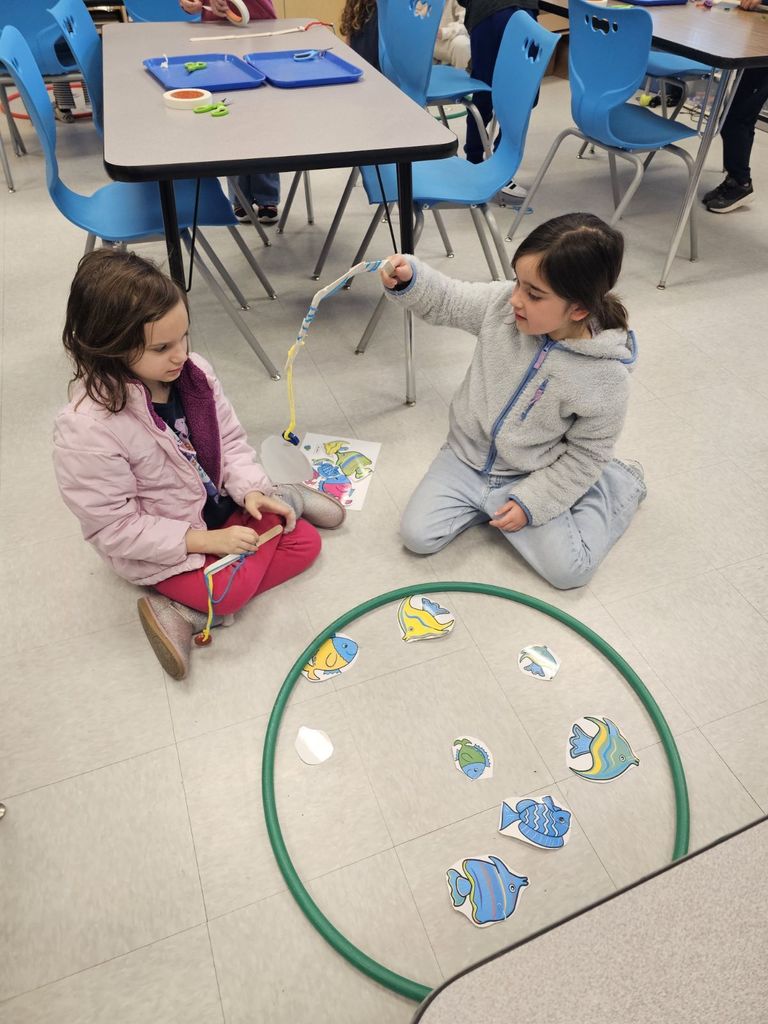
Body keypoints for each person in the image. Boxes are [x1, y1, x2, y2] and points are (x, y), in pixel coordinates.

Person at [53, 250, 344, 680]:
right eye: (162, 348)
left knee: (305, 545)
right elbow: (114, 529)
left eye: (184, 337)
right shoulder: (86, 430)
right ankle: (181, 608)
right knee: (227, 595)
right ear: (110, 346)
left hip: (219, 509)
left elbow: (229, 441)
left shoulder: (195, 375)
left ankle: (275, 500)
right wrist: (208, 543)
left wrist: (251, 490)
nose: (181, 355)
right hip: (167, 544)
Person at [379, 212, 646, 591]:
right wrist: (412, 278)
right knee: (417, 536)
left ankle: (621, 484)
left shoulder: (606, 377)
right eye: (519, 282)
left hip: (530, 473)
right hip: (464, 458)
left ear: (579, 309)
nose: (516, 299)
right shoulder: (503, 304)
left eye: (534, 294)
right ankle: (484, 503)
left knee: (571, 571)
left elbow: (587, 454)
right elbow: (448, 299)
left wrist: (534, 501)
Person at [180, 0, 282, 224]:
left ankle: (266, 195)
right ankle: (239, 197)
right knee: (230, 119)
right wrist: (191, 4)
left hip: (259, 30)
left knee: (260, 117)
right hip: (217, 36)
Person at [458, 0, 537, 198]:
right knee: (522, 95)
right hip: (515, 13)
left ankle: (474, 162)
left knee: (483, 92)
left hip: (483, 14)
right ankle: (500, 172)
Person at [703, 0, 768, 214]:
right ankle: (735, 180)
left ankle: (741, 183)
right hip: (760, 39)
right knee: (738, 115)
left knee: (736, 118)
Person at [434, 0, 471, 70]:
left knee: (462, 44)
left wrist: (443, 32)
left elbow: (466, 25)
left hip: (448, 41)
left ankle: (461, 78)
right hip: (426, 42)